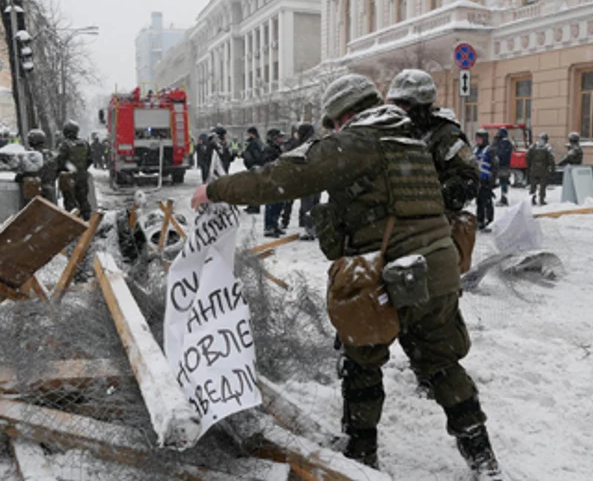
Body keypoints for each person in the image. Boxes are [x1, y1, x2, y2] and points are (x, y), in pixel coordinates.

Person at [191, 74, 502, 479]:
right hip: (438, 267)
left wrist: (216, 190)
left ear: (346, 115)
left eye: (334, 123)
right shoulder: (409, 139)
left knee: (362, 363)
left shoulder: (356, 142)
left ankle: (361, 456)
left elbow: (280, 179)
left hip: (387, 273)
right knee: (441, 363)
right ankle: (482, 455)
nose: (334, 130)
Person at [386, 69, 480, 273]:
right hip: (399, 228)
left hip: (434, 229)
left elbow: (469, 179)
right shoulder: (397, 131)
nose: (400, 109)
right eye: (397, 104)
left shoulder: (446, 135)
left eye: (406, 104)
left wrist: (431, 197)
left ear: (422, 103)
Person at [57, 120, 93, 220]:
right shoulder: (85, 143)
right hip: (82, 176)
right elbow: (90, 159)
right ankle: (87, 221)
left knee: (70, 202)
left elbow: (60, 161)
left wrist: (62, 171)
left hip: (69, 177)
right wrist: (82, 169)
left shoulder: (65, 144)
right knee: (83, 200)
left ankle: (72, 224)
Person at [19, 129, 58, 205]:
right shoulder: (51, 155)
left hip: (34, 193)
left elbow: (22, 174)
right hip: (50, 192)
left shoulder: (29, 156)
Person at [262, 128, 286, 237]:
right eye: (279, 138)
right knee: (271, 204)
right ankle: (269, 227)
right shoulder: (268, 149)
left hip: (279, 179)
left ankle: (275, 224)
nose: (281, 140)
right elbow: (267, 164)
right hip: (271, 180)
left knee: (279, 204)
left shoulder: (278, 148)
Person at [474, 131, 497, 230]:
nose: (478, 141)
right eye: (477, 139)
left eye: (480, 139)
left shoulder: (489, 150)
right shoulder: (476, 150)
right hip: (478, 180)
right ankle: (480, 220)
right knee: (479, 201)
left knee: (487, 201)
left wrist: (492, 182)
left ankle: (489, 220)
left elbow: (495, 167)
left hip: (486, 180)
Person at [241, 127, 267, 214]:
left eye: (249, 133)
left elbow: (256, 156)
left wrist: (247, 156)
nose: (248, 135)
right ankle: (252, 205)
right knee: (252, 187)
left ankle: (254, 206)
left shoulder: (255, 143)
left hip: (255, 167)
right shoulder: (253, 142)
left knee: (254, 188)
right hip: (253, 167)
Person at [526, 133, 555, 206]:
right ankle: (541, 199)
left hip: (534, 169)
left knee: (533, 185)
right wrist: (552, 169)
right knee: (543, 186)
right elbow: (551, 159)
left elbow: (527, 157)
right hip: (543, 169)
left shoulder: (533, 146)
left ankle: (532, 199)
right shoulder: (547, 147)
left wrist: (530, 166)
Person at [493, 128, 512, 206]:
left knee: (503, 182)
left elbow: (501, 153)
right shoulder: (502, 142)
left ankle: (504, 199)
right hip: (502, 165)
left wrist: (497, 157)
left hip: (503, 165)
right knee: (503, 182)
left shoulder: (505, 143)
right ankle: (503, 198)